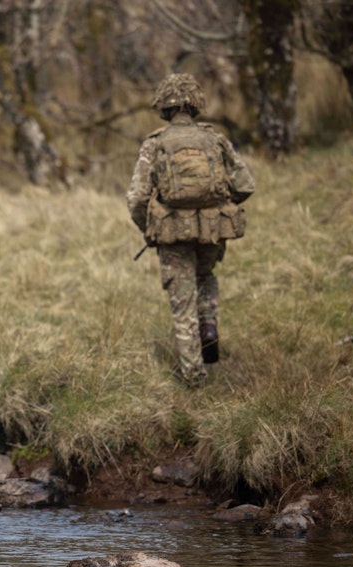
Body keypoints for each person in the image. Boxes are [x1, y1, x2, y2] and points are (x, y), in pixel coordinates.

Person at [126, 73, 255, 388]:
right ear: (196, 104)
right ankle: (208, 324)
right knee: (205, 276)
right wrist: (221, 205)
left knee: (183, 304)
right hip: (212, 230)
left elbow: (137, 198)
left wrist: (149, 229)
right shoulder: (215, 139)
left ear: (164, 106)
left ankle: (195, 381)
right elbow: (245, 185)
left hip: (172, 234)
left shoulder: (155, 143)